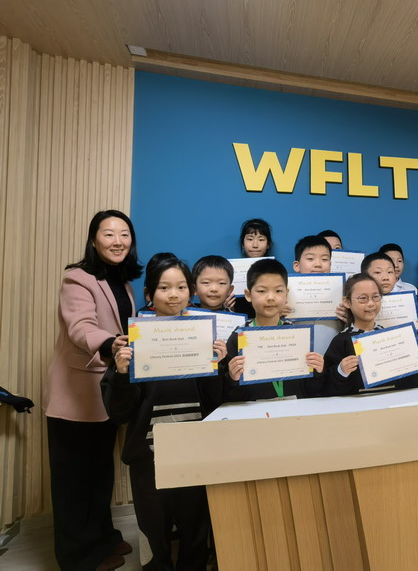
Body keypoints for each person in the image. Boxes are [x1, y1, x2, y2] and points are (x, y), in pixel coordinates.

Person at [101, 254, 227, 571]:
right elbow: (118, 413)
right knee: (153, 532)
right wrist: (121, 373)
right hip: (149, 458)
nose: (174, 295)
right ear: (149, 294)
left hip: (195, 454)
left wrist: (218, 367)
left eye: (181, 287)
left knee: (195, 530)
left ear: (191, 292)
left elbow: (216, 404)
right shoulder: (133, 343)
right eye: (164, 287)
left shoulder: (203, 339)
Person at [43, 210, 141, 571]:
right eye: (109, 234)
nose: (117, 241)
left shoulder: (123, 281)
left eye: (124, 234)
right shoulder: (77, 278)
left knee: (99, 474)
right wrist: (110, 343)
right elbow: (80, 327)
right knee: (73, 481)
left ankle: (102, 539)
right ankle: (78, 558)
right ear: (94, 240)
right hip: (76, 394)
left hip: (106, 394)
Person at [224, 259, 324, 401]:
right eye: (261, 291)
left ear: (286, 294)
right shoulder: (238, 337)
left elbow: (311, 389)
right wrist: (233, 378)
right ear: (248, 295)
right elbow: (232, 396)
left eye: (278, 291)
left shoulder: (297, 334)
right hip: (255, 412)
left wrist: (318, 371)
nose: (270, 297)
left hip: (297, 410)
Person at [323, 274, 418, 396]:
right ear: (347, 302)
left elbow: (410, 381)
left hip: (393, 401)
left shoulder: (392, 337)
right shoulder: (341, 340)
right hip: (360, 404)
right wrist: (341, 371)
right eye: (363, 298)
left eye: (375, 297)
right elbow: (327, 386)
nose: (371, 303)